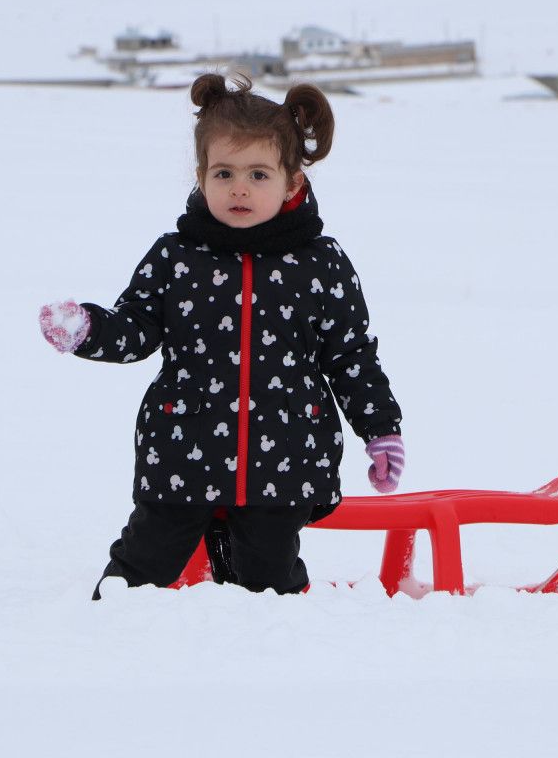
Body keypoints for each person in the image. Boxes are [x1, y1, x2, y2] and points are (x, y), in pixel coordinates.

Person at [38, 74, 404, 600]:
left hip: (286, 452)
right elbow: (137, 326)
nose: (239, 188)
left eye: (258, 174)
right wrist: (90, 329)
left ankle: (269, 657)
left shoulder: (321, 264)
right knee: (143, 561)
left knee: (267, 575)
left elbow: (349, 355)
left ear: (292, 183)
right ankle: (109, 636)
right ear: (200, 177)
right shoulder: (176, 256)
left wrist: (380, 428)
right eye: (224, 172)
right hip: (183, 446)